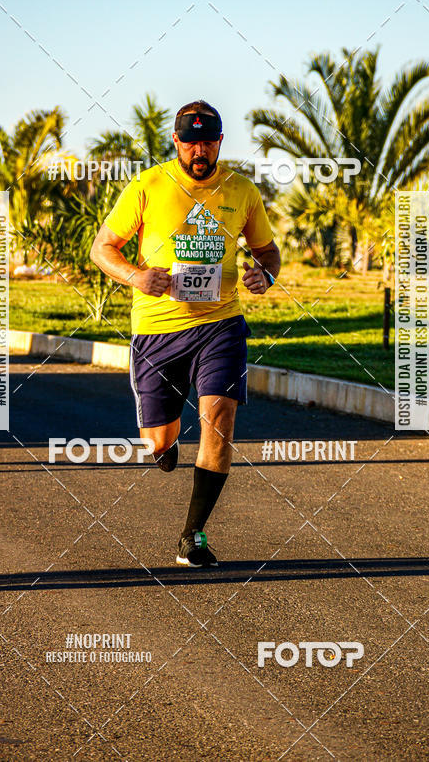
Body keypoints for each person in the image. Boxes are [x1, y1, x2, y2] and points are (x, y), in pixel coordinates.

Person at [90, 100, 280, 567]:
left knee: (220, 420)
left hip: (221, 325)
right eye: (190, 141)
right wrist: (137, 277)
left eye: (208, 141)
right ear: (176, 141)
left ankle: (192, 536)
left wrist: (265, 275)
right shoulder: (148, 185)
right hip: (158, 329)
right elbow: (102, 248)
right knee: (156, 439)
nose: (200, 150)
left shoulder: (242, 190)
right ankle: (167, 444)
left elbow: (267, 251)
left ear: (220, 143)